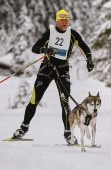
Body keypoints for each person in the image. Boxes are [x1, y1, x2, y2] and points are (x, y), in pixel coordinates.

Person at [12, 9, 94, 144]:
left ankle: (69, 134)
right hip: (47, 68)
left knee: (65, 103)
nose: (64, 22)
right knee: (34, 100)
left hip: (62, 70)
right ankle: (22, 129)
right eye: (61, 19)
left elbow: (85, 47)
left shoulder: (72, 34)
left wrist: (89, 60)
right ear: (56, 20)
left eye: (66, 20)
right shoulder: (50, 33)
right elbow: (35, 47)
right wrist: (45, 50)